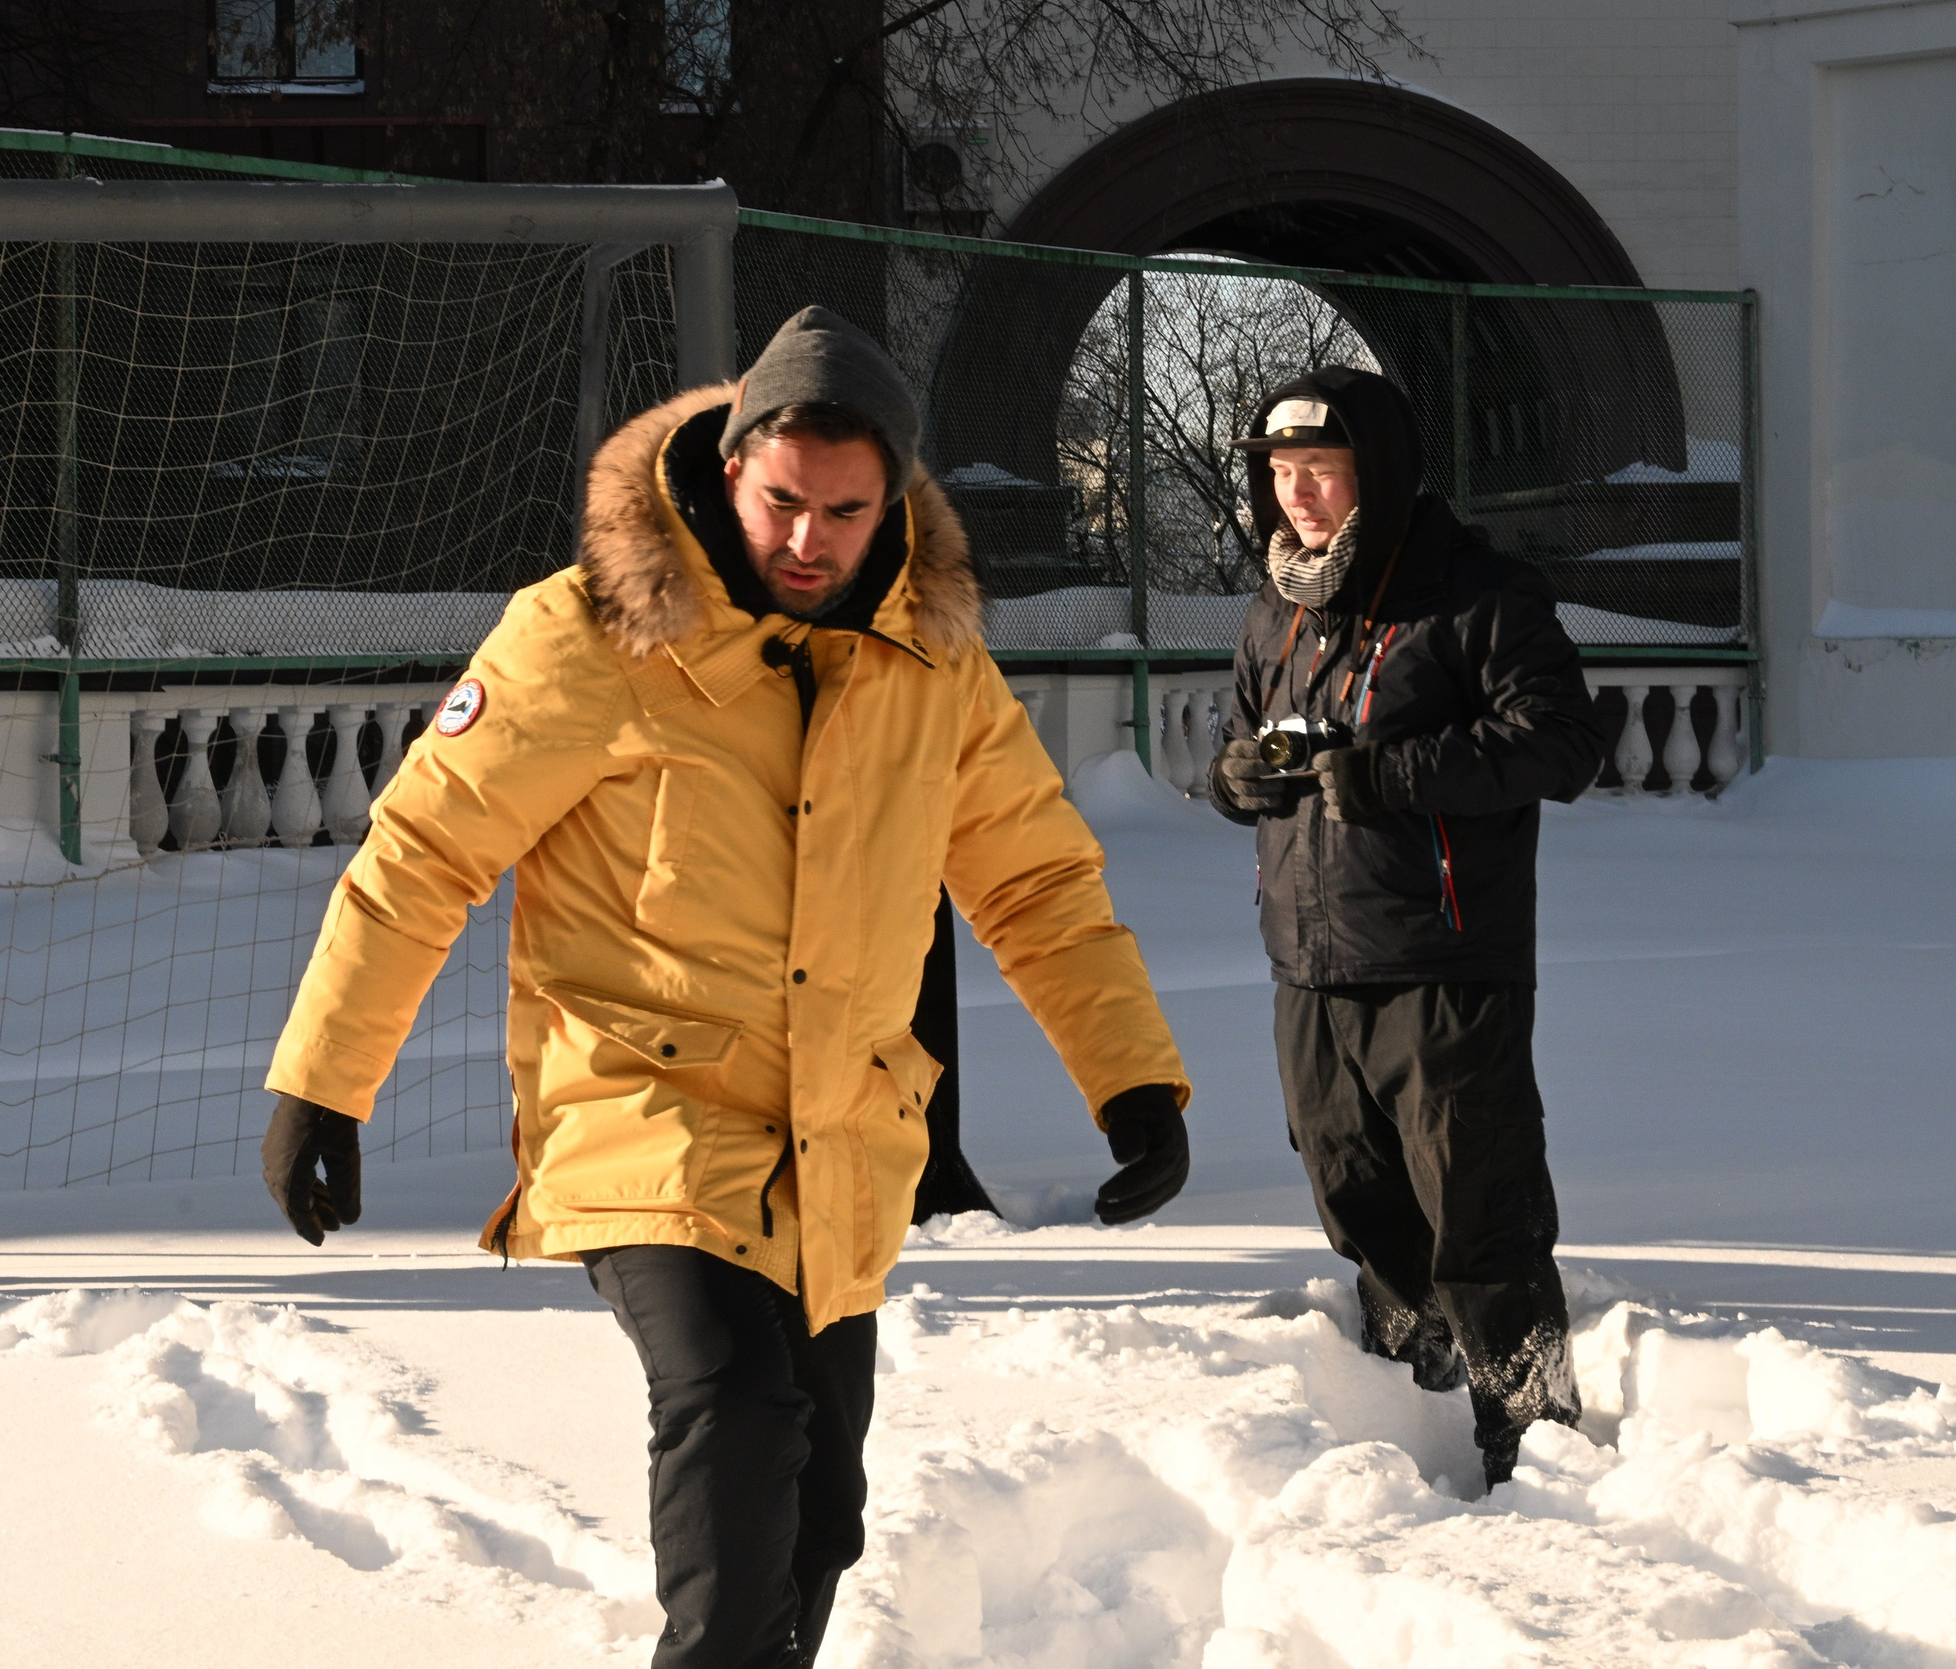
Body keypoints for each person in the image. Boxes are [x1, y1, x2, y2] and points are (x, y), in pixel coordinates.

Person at [262, 306, 1193, 1667]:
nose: (810, 537)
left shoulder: (935, 664)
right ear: (734, 463)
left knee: (820, 1517)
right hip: (642, 1101)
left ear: (896, 502)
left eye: (846, 510)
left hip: (842, 1130)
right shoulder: (585, 636)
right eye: (783, 502)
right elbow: (420, 857)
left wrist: (1133, 1078)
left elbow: (1038, 882)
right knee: (737, 1404)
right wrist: (322, 1083)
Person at [1208, 364, 1607, 1491]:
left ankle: (1530, 1434)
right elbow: (1251, 747)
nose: (1298, 497)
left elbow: (1563, 742)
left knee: (1475, 1207)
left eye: (1320, 472)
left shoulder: (1476, 595)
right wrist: (1238, 777)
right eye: (1280, 474)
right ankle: (1410, 1383)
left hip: (1444, 956)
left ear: (1374, 476)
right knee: (1354, 1196)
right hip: (1310, 962)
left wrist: (1395, 774)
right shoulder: (1273, 611)